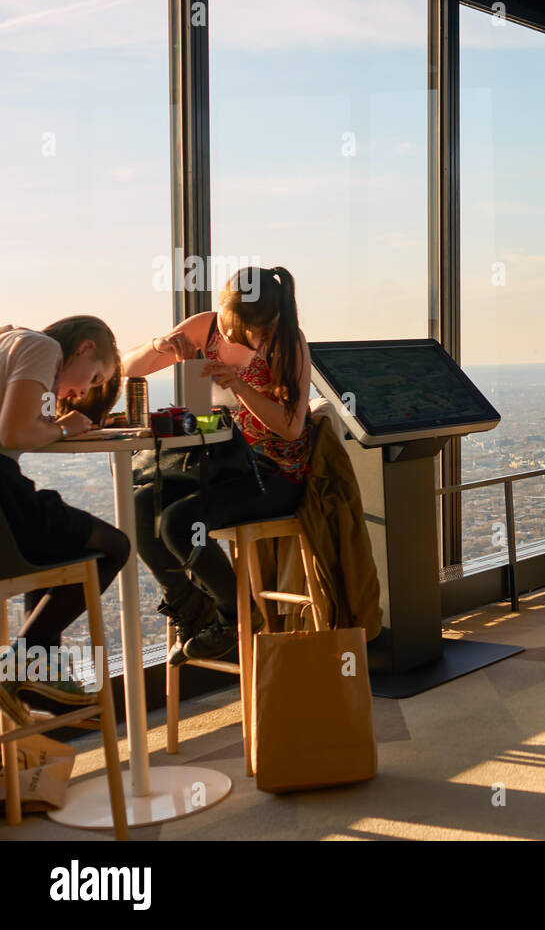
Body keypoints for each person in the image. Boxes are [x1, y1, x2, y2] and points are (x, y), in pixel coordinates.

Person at [122, 266, 313, 663]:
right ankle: (191, 608)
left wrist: (239, 385)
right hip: (219, 463)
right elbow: (128, 367)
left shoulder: (286, 344)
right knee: (138, 508)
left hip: (273, 473)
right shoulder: (206, 328)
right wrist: (162, 344)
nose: (224, 337)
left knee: (179, 523)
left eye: (237, 333)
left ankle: (236, 616)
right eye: (224, 327)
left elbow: (292, 428)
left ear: (265, 327)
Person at [0, 316, 129, 723]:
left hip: (7, 506)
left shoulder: (10, 342)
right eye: (94, 377)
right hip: (4, 497)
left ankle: (37, 669)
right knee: (115, 546)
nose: (85, 391)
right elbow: (12, 433)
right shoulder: (43, 348)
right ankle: (22, 663)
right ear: (85, 347)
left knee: (62, 553)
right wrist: (64, 429)